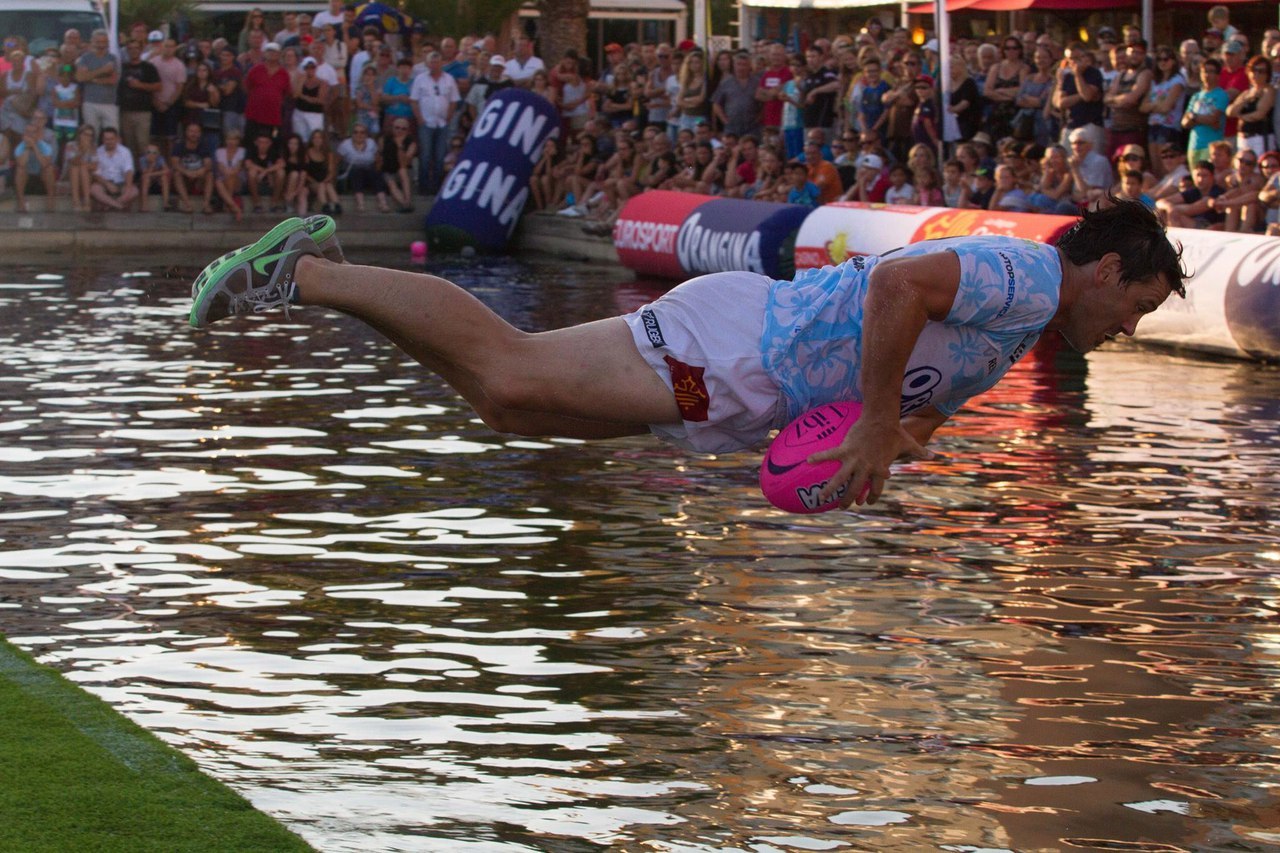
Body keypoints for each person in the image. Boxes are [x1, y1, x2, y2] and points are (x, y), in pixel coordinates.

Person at [189, 200, 1185, 508]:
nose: (1129, 326)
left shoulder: (1018, 329)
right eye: (1136, 304)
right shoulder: (1025, 277)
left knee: (506, 403)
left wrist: (884, 442)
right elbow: (895, 284)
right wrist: (877, 417)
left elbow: (923, 395)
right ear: (1103, 270)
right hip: (740, 345)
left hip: (742, 379)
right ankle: (308, 275)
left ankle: (310, 274)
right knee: (509, 365)